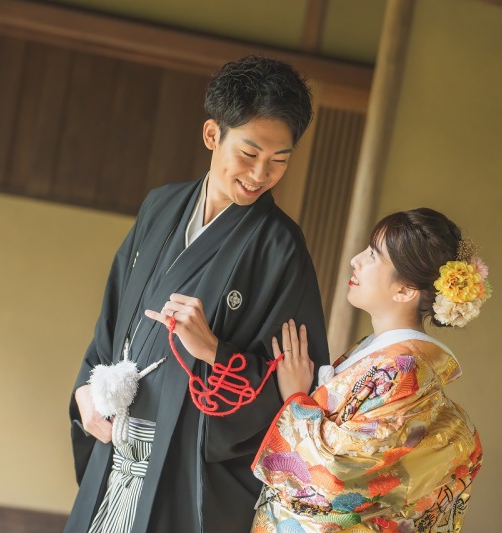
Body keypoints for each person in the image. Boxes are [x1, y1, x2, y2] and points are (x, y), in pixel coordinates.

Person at [65, 56, 330, 533]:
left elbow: (291, 380)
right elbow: (112, 320)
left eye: (279, 161)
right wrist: (86, 389)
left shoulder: (280, 248)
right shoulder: (161, 205)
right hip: (117, 445)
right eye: (248, 154)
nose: (260, 174)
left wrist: (213, 351)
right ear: (213, 135)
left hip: (184, 468)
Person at [252, 208, 486, 532]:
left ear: (404, 290)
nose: (356, 260)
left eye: (373, 256)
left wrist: (295, 397)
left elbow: (336, 474)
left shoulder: (402, 370)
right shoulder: (379, 352)